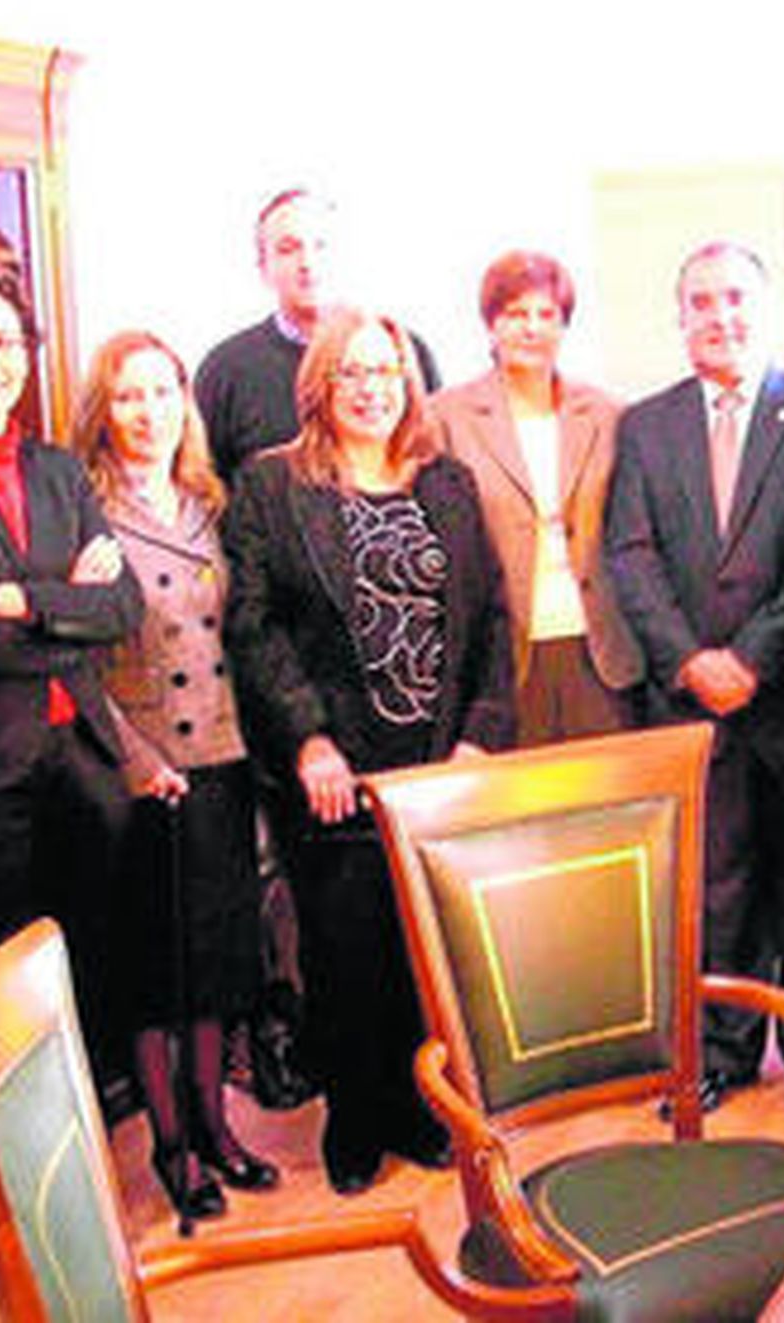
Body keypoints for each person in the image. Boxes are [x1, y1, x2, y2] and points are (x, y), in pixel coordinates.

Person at [223, 306, 514, 1194]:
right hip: (335, 768)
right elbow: (255, 626)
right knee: (346, 950)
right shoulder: (275, 486)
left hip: (436, 760)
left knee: (427, 947)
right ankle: (356, 1116)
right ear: (319, 384)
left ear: (408, 380)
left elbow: (493, 614)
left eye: (385, 371)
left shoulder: (449, 483)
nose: (370, 389)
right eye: (351, 372)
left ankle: (416, 1107)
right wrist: (307, 738)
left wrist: (481, 732)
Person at [606, 241, 784, 1122]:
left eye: (736, 299)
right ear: (680, 319)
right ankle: (722, 1052)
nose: (721, 317)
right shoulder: (644, 425)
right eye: (702, 302)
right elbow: (628, 555)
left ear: (768, 306)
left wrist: (751, 656)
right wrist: (688, 659)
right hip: (688, 705)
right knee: (713, 892)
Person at [71, 330, 279, 1221]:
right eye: (128, 396)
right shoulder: (79, 508)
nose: (147, 413)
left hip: (224, 758)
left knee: (221, 960)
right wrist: (131, 756)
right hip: (145, 769)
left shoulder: (211, 499)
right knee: (157, 968)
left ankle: (216, 1124)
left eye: (162, 393)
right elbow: (72, 660)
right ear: (104, 411)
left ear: (184, 404)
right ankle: (170, 1143)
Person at [0, 267, 142, 1078]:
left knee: (93, 964)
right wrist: (65, 603)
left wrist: (16, 598)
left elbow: (122, 610)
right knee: (0, 994)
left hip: (79, 760)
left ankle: (90, 1138)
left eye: (4, 342)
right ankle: (23, 1170)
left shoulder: (59, 469)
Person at [431, 251, 642, 744]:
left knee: (604, 806)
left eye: (547, 315)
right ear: (490, 326)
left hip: (599, 652)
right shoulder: (445, 417)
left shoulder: (610, 414)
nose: (532, 329)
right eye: (515, 314)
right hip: (505, 655)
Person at [196, 188, 441, 483]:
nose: (307, 263)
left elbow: (432, 461)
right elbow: (205, 486)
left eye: (321, 246)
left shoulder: (404, 352)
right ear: (264, 268)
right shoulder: (226, 370)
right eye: (288, 249)